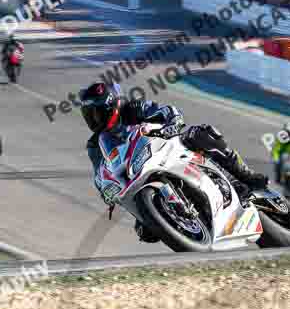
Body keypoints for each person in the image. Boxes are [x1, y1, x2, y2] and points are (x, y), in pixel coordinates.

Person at [78, 82, 268, 243]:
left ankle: (244, 175)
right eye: (89, 115)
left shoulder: (133, 109)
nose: (93, 119)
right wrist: (106, 190)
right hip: (135, 174)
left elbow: (168, 111)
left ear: (112, 107)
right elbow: (99, 174)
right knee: (145, 232)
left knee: (200, 133)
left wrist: (171, 124)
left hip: (166, 148)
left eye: (96, 113)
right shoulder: (95, 145)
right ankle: (180, 219)